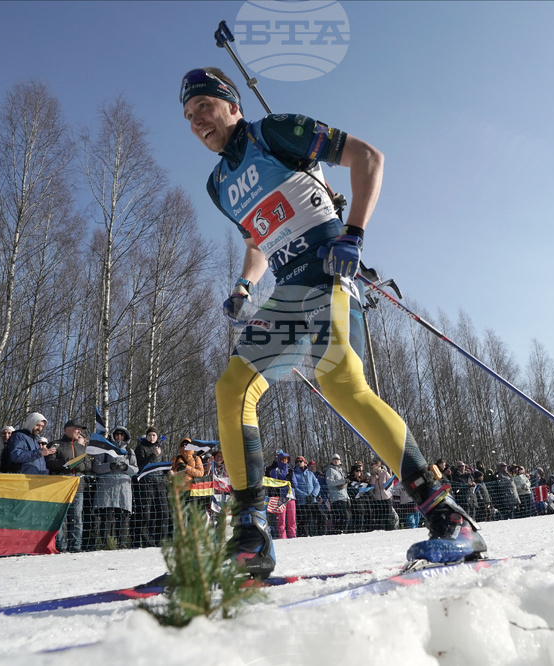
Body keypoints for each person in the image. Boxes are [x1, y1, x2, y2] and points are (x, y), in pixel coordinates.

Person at [181, 67, 485, 576]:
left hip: (326, 273)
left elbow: (368, 158)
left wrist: (354, 234)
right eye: (189, 118)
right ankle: (256, 534)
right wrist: (243, 285)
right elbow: (257, 240)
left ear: (233, 104)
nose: (198, 122)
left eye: (205, 108)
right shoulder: (218, 185)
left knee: (289, 384)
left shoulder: (273, 131)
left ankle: (442, 517)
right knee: (290, 388)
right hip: (290, 287)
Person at [47, 419, 92, 553]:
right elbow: (50, 463)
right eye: (77, 429)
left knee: (77, 517)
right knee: (60, 518)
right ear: (67, 429)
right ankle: (61, 546)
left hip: (77, 486)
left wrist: (78, 465)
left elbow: (88, 465)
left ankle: (76, 546)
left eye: (81, 429)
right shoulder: (56, 444)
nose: (80, 432)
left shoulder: (81, 447)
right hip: (60, 486)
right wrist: (66, 463)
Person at [92, 427, 138, 549]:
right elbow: (96, 467)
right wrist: (110, 466)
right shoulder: (104, 450)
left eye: (122, 435)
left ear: (126, 436)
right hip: (107, 489)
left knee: (123, 517)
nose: (119, 437)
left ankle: (122, 543)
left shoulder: (129, 451)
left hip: (123, 489)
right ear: (113, 435)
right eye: (117, 434)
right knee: (108, 517)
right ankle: (107, 543)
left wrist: (125, 468)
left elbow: (136, 469)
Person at [133, 427, 168, 548]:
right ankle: (147, 541)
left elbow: (162, 465)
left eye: (154, 435)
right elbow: (141, 467)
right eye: (150, 435)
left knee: (163, 513)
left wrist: (168, 472)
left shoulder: (160, 449)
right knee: (146, 514)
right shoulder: (141, 448)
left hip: (159, 483)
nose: (152, 437)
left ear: (157, 437)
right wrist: (152, 455)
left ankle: (161, 540)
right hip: (146, 484)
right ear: (146, 436)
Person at [266, 450, 296, 539]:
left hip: (291, 497)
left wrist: (291, 479)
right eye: (282, 459)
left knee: (292, 519)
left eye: (286, 459)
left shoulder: (290, 470)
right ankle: (282, 538)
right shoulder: (276, 470)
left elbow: (295, 484)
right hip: (281, 497)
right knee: (281, 520)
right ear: (279, 460)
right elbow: (274, 483)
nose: (284, 461)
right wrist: (285, 481)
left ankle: (293, 537)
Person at [292, 455, 322, 537]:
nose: (299, 463)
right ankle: (304, 537)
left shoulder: (310, 474)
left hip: (313, 501)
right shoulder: (294, 474)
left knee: (321, 517)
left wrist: (313, 495)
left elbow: (317, 485)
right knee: (304, 521)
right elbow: (294, 487)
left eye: (300, 461)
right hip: (302, 502)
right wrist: (305, 496)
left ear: (304, 462)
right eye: (297, 462)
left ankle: (321, 534)